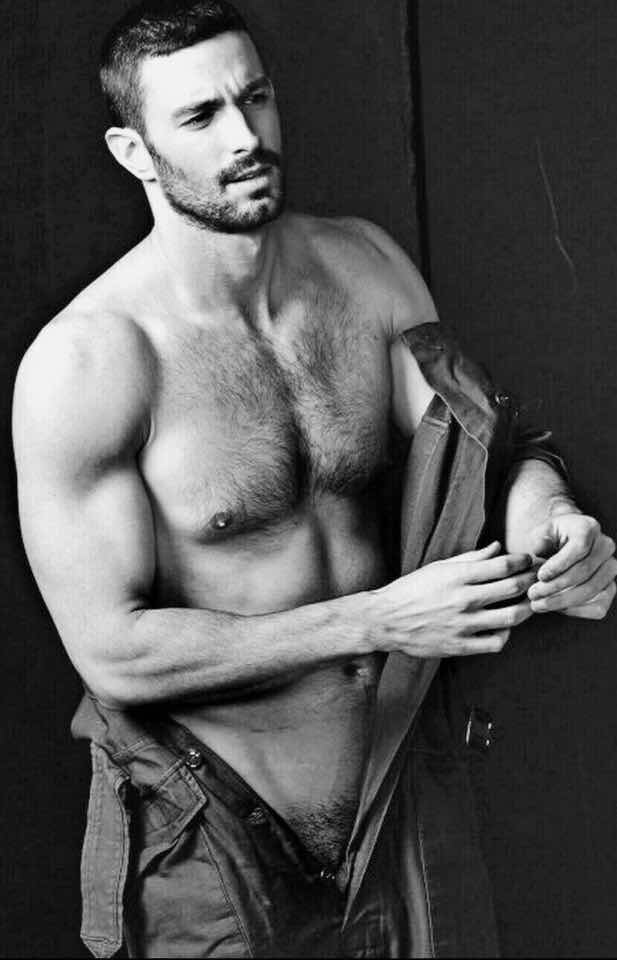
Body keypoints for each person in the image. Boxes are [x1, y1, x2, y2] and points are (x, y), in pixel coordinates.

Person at [12, 1, 616, 956]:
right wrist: (377, 620)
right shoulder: (89, 361)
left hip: (400, 811)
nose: (245, 136)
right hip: (212, 843)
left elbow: (488, 447)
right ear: (134, 152)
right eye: (200, 116)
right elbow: (114, 654)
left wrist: (553, 520)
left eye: (254, 97)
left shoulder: (364, 268)